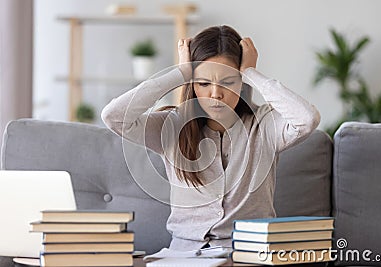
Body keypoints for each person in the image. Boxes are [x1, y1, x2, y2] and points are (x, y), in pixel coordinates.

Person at [101, 25, 320, 251]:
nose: (215, 94)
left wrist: (252, 73)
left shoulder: (264, 125)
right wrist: (181, 73)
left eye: (228, 82)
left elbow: (307, 118)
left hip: (247, 254)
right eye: (203, 83)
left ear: (242, 83)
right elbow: (114, 117)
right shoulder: (172, 125)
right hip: (184, 256)